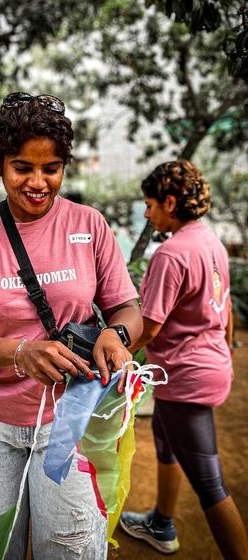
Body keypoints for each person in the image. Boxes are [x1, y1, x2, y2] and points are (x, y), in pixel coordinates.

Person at [0, 92, 143, 559]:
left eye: (52, 168)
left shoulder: (90, 225)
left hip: (70, 422)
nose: (38, 182)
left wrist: (115, 334)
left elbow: (127, 308)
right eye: (22, 167)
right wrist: (19, 353)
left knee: (69, 549)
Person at [120, 160, 248, 559]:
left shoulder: (170, 255)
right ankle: (161, 522)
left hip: (186, 377)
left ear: (170, 202)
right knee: (165, 439)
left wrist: (112, 349)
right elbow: (224, 309)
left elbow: (151, 327)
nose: (146, 212)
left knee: (210, 486)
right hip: (209, 364)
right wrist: (223, 351)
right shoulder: (209, 242)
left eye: (149, 204)